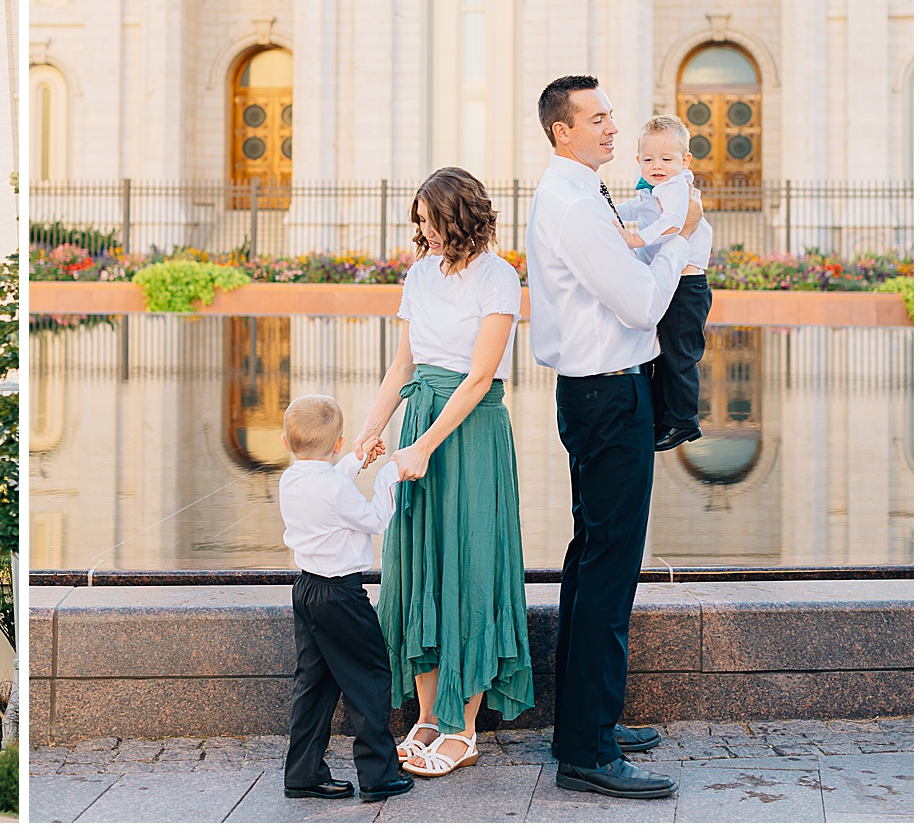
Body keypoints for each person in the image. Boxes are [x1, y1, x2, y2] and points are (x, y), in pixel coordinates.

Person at [525, 76, 703, 800]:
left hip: (598, 392)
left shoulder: (580, 197)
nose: (611, 128)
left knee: (592, 560)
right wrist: (679, 246)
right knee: (608, 567)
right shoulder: (572, 206)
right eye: (597, 119)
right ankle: (589, 750)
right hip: (607, 395)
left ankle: (585, 724)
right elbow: (639, 300)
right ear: (563, 131)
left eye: (609, 116)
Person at [351, 167, 532, 781]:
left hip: (469, 431)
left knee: (469, 567)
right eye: (418, 222)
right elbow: (403, 363)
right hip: (420, 424)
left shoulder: (499, 276)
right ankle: (428, 715)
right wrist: (375, 428)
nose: (421, 231)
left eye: (430, 221)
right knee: (419, 564)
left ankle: (464, 726)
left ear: (459, 219)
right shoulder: (421, 272)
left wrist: (425, 445)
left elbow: (480, 376)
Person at [277, 393, 413, 804]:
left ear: (285, 443)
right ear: (336, 444)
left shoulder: (290, 478)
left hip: (307, 590)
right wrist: (390, 474)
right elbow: (374, 519)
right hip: (341, 596)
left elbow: (330, 483)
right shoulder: (333, 489)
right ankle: (378, 775)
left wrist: (356, 459)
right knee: (369, 677)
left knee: (313, 684)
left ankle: (302, 772)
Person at [614, 115, 713, 451]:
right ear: (638, 160)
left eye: (666, 159)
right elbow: (634, 206)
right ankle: (663, 416)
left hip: (687, 287)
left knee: (679, 354)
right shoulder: (653, 188)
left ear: (684, 161)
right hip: (668, 281)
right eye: (649, 159)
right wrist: (607, 208)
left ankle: (684, 421)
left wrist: (638, 238)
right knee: (660, 352)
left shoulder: (675, 188)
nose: (657, 166)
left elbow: (674, 222)